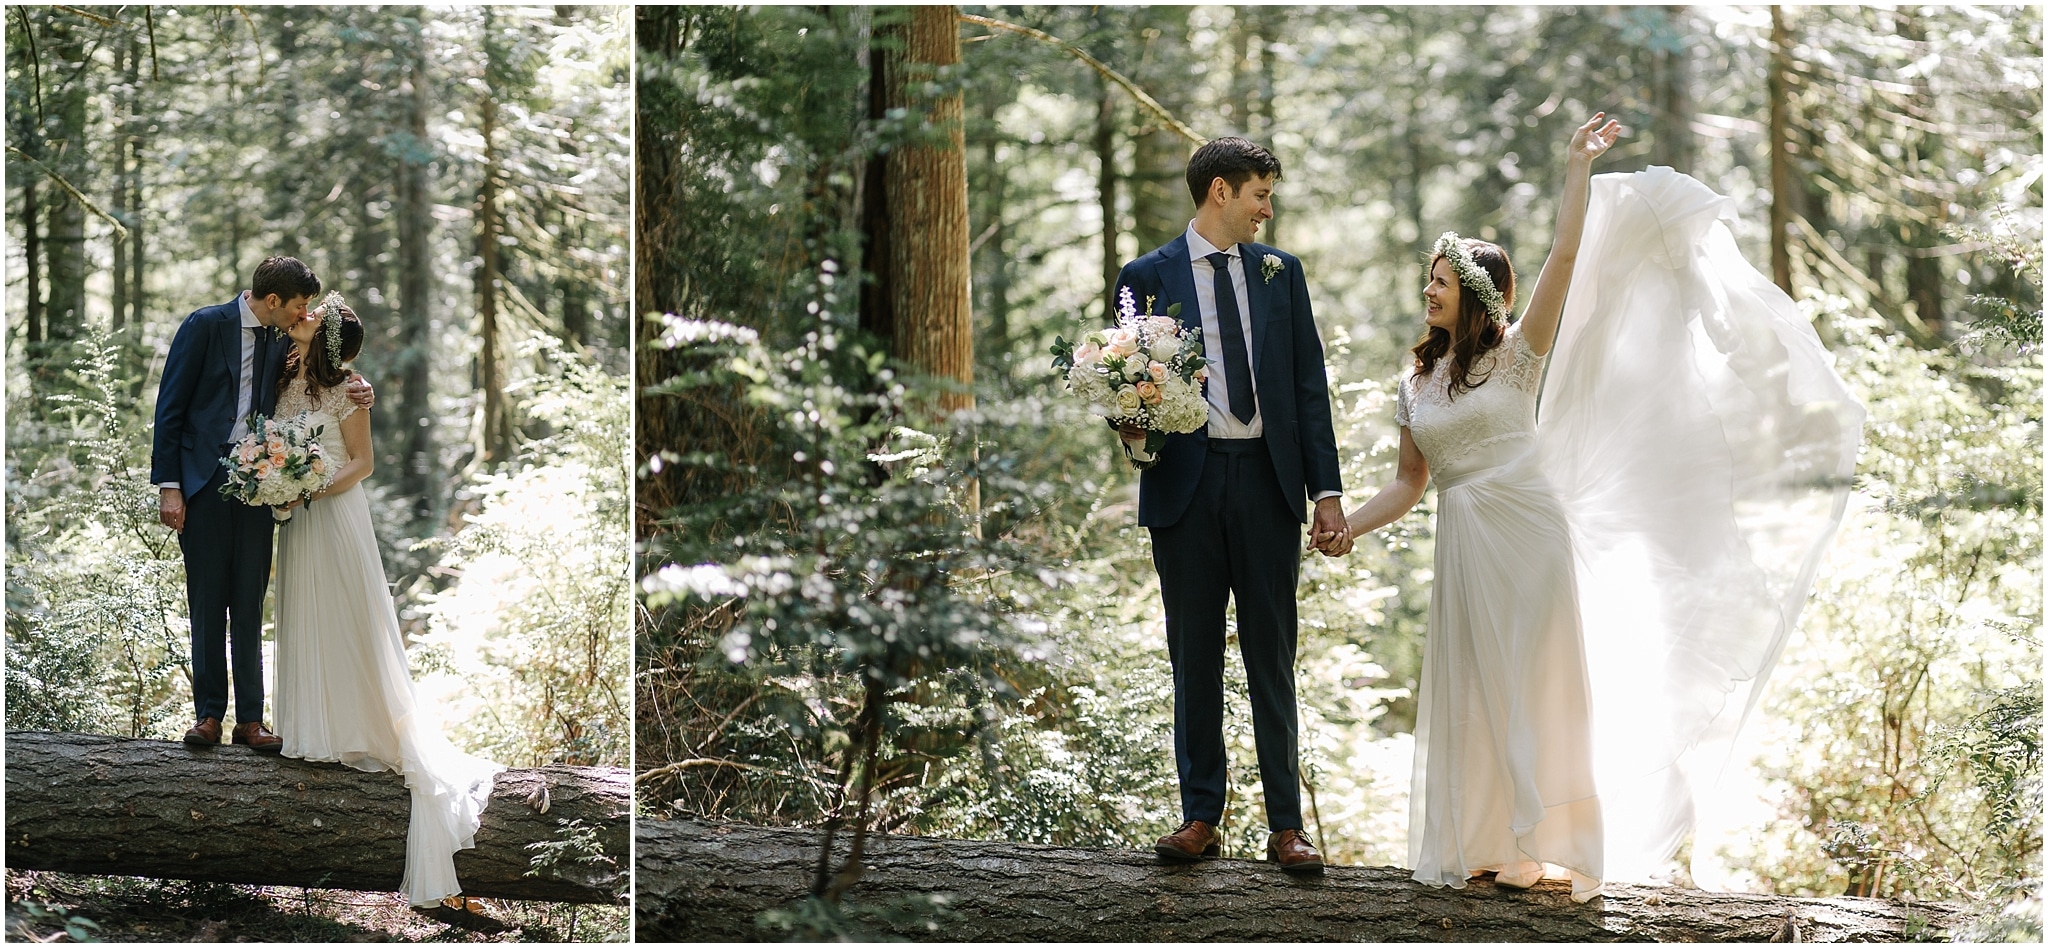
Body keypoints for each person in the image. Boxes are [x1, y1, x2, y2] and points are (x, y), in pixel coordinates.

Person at [1323, 114, 1865, 901]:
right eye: (1428, 281)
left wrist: (1576, 168)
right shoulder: (1413, 385)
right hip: (1466, 537)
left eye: (1439, 280)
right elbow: (1410, 484)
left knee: (1536, 679)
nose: (1426, 291)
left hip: (1528, 529)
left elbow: (1565, 256)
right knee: (1477, 685)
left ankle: (1544, 844)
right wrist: (1346, 528)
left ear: (1475, 295)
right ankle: (1483, 838)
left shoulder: (1515, 357)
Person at [1111, 137, 1348, 873]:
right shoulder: (1145, 276)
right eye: (1259, 195)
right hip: (1185, 488)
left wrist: (1327, 492)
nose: (1266, 210)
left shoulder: (1282, 274)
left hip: (1268, 483)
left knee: (1272, 656)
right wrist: (1127, 418)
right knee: (1195, 658)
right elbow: (1124, 384)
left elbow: (1308, 384)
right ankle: (1199, 816)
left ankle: (1286, 826)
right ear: (1220, 191)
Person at [268, 300, 506, 907]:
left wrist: (310, 486)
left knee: (351, 618)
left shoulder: (350, 390)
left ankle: (365, 726)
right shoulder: (283, 371)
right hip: (296, 518)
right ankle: (313, 730)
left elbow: (363, 464)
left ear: (320, 336)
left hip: (335, 513)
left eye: (307, 319)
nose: (297, 319)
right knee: (306, 613)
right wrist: (278, 485)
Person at [150, 256, 370, 751]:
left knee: (248, 599)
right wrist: (170, 485)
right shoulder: (206, 325)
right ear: (273, 301)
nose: (302, 313)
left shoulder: (282, 340)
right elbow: (171, 406)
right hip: (202, 483)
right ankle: (208, 714)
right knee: (207, 598)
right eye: (298, 304)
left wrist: (360, 386)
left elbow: (325, 377)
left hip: (260, 482)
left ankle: (251, 720)